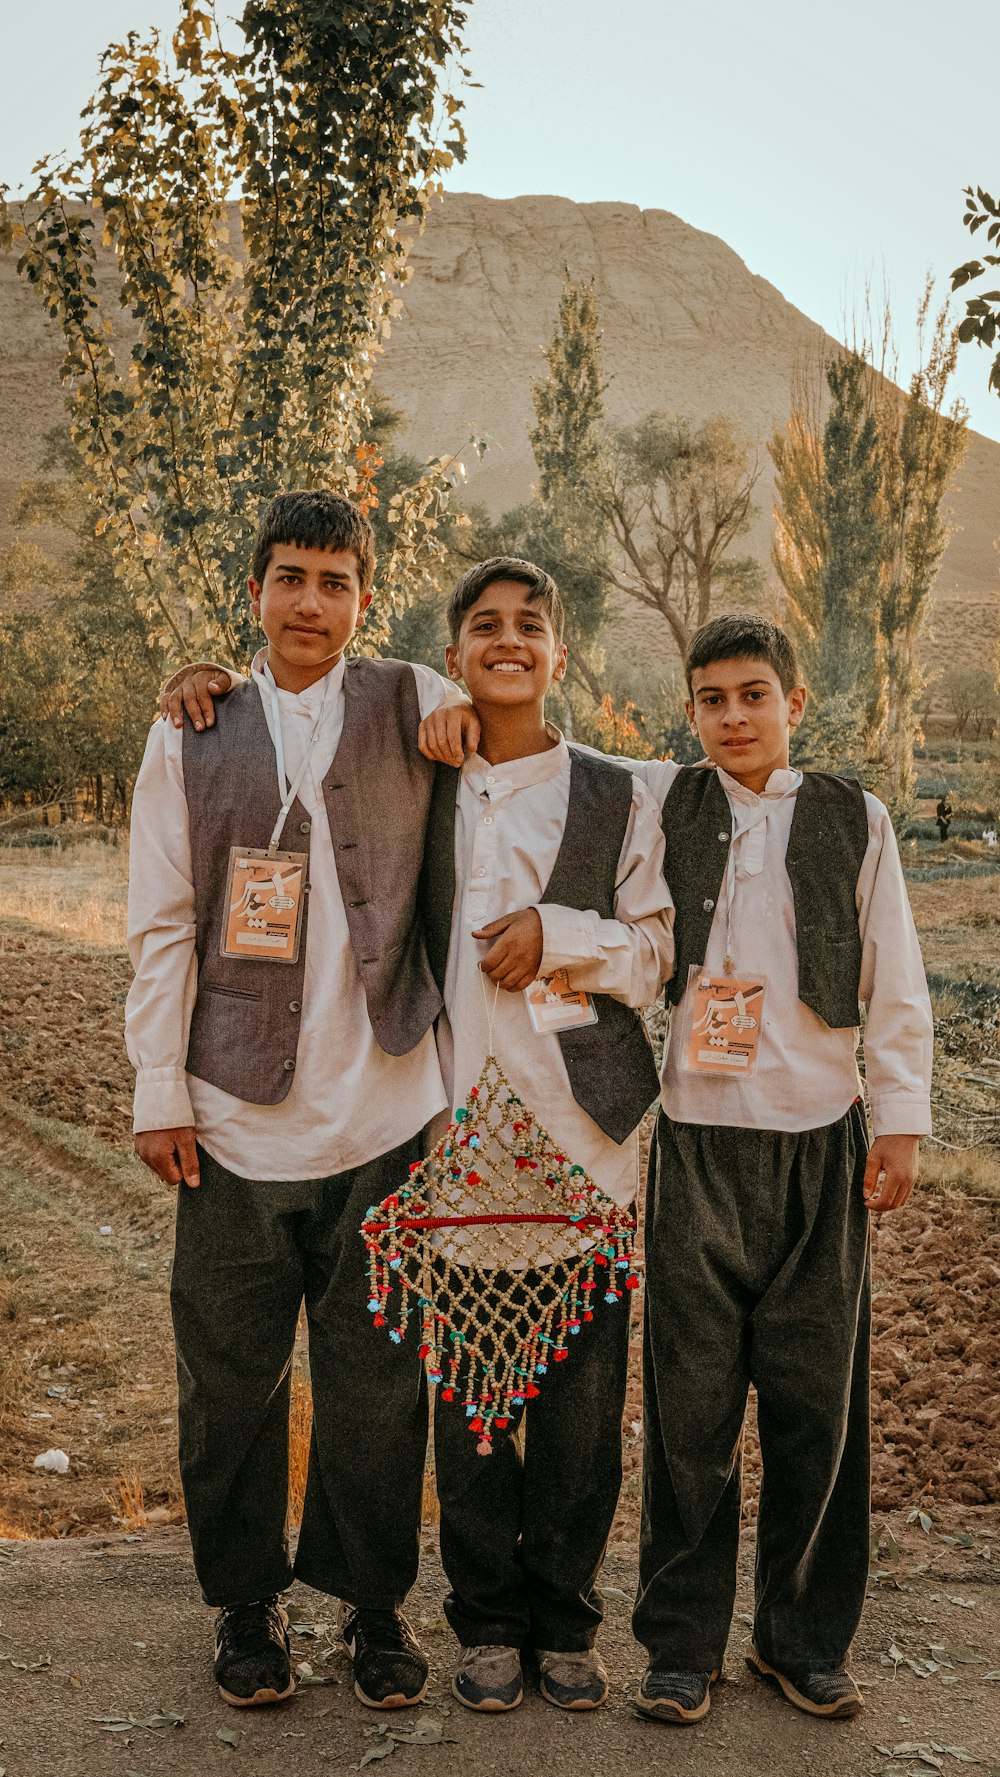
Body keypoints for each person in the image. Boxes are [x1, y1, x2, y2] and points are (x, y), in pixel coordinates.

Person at [126, 490, 475, 1712]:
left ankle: (372, 1606)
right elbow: (163, 923)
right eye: (289, 578)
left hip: (381, 1110)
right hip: (229, 1116)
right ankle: (244, 1603)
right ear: (257, 590)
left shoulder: (419, 700)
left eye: (334, 580)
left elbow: (514, 737)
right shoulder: (191, 729)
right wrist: (158, 1090)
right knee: (230, 1382)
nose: (311, 603)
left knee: (381, 1380)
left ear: (363, 597)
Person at [627, 614, 933, 1725]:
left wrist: (896, 1119)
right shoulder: (662, 803)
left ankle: (800, 1640)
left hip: (817, 1138)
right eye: (710, 698)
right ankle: (678, 1644)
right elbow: (539, 755)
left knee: (817, 1407)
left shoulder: (856, 816)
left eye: (752, 694)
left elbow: (894, 971)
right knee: (689, 1410)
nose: (732, 717)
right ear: (690, 710)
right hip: (697, 1139)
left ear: (793, 703)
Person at [416, 558, 675, 1714]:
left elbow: (656, 953)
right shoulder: (421, 776)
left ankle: (567, 1616)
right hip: (454, 1136)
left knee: (577, 1402)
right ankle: (485, 1620)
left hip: (585, 1137)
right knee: (472, 1399)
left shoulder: (626, 791)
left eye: (530, 626)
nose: (508, 640)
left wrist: (560, 932)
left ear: (559, 654)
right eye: (485, 627)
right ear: (456, 653)